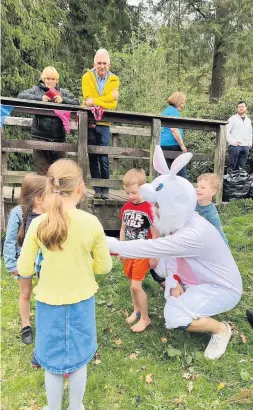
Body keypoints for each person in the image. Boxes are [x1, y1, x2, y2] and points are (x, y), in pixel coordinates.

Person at [107, 146, 242, 360]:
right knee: (169, 288)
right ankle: (194, 302)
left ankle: (220, 330)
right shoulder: (182, 220)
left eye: (158, 205)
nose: (155, 209)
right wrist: (175, 279)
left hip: (223, 288)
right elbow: (170, 259)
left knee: (174, 316)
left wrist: (111, 244)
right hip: (200, 278)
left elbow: (151, 247)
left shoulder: (193, 233)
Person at [17, 159, 112, 410]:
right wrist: (84, 267)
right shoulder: (92, 223)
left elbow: (24, 269)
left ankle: (52, 407)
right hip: (82, 301)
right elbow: (104, 267)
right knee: (79, 360)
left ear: (49, 187)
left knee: (51, 361)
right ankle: (76, 406)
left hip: (49, 303)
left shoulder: (38, 224)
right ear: (81, 188)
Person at [3, 173, 47, 345]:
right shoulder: (17, 213)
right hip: (23, 260)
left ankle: (45, 323)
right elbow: (10, 241)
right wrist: (11, 264)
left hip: (43, 262)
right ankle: (26, 324)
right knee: (26, 293)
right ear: (38, 198)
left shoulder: (49, 213)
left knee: (44, 293)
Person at [18, 66, 79, 175]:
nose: (50, 81)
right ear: (43, 79)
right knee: (42, 173)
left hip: (58, 138)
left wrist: (63, 100)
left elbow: (76, 102)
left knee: (58, 174)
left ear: (57, 80)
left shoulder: (62, 92)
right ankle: (44, 192)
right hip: (39, 137)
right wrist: (40, 99)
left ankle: (56, 192)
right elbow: (21, 95)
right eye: (48, 78)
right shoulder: (36, 90)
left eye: (53, 79)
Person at [119, 169, 158, 332]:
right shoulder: (126, 207)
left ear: (143, 188)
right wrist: (121, 248)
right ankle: (136, 311)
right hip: (129, 252)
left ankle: (145, 318)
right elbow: (122, 228)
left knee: (136, 286)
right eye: (127, 193)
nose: (130, 196)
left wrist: (154, 256)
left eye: (134, 192)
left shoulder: (150, 208)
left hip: (143, 252)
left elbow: (156, 234)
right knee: (132, 285)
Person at [82, 49, 120, 199]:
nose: (102, 66)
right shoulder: (86, 77)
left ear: (109, 64)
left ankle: (106, 189)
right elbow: (87, 100)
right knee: (92, 155)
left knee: (104, 156)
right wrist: (108, 97)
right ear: (94, 63)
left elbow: (112, 105)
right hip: (90, 121)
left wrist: (97, 101)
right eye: (99, 63)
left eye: (104, 63)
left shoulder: (115, 79)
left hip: (104, 123)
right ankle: (97, 188)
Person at [160, 92, 187, 178]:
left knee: (166, 172)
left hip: (163, 144)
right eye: (183, 102)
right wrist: (182, 145)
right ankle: (184, 190)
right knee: (180, 173)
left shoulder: (166, 111)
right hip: (173, 145)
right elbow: (174, 130)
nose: (183, 105)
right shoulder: (174, 112)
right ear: (178, 102)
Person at [196, 173, 228, 245]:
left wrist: (226, 250)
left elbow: (219, 232)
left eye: (202, 187)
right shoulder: (191, 203)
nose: (197, 189)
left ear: (213, 191)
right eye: (197, 186)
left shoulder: (211, 214)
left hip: (203, 241)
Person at [226, 100, 252, 170]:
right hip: (235, 146)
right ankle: (230, 181)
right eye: (239, 107)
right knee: (232, 166)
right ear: (237, 109)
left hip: (245, 147)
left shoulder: (248, 120)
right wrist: (232, 142)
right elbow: (226, 131)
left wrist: (250, 143)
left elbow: (250, 132)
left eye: (242, 106)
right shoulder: (232, 119)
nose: (241, 108)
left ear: (246, 108)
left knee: (241, 168)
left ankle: (239, 181)